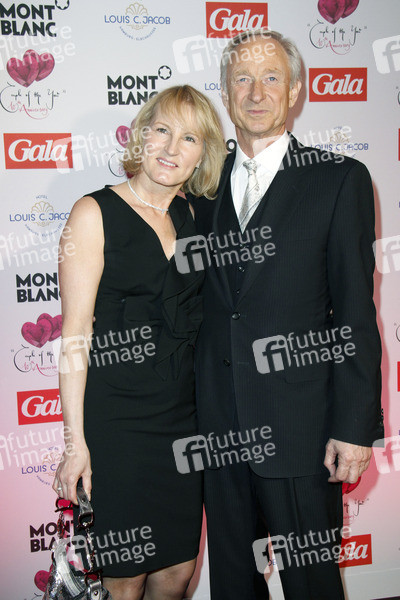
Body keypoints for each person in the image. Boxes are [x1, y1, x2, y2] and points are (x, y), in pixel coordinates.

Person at [190, 30, 383, 599]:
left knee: (312, 586)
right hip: (219, 431)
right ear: (225, 91)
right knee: (233, 584)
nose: (257, 93)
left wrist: (354, 429)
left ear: (295, 90)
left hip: (302, 431)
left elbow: (355, 314)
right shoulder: (200, 185)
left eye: (271, 78)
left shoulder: (339, 178)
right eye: (243, 79)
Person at [52, 85, 226, 600]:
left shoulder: (195, 217)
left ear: (202, 154)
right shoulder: (93, 213)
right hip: (117, 423)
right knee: (123, 578)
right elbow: (74, 335)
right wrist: (75, 443)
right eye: (162, 131)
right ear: (141, 136)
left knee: (178, 572)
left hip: (183, 421)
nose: (172, 148)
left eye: (189, 138)